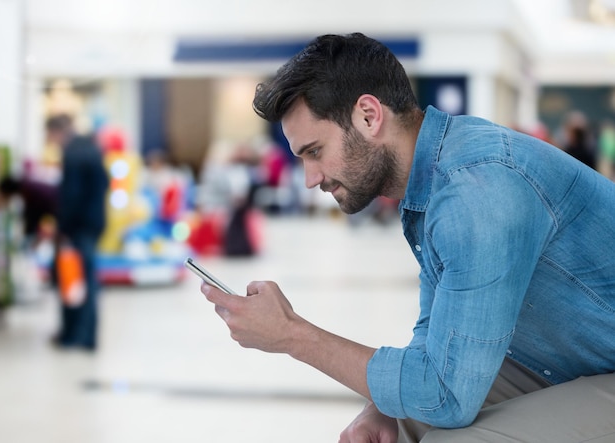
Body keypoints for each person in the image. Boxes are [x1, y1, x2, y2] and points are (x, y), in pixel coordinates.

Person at [200, 33, 615, 442]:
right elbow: (435, 334)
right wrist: (379, 407)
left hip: (599, 367)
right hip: (567, 358)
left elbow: (447, 397)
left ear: (368, 115)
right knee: (396, 425)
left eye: (314, 151)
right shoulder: (432, 177)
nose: (311, 179)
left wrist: (291, 334)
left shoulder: (475, 192)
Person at [48, 114, 109, 351]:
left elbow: (70, 197)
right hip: (93, 225)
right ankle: (85, 336)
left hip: (77, 228)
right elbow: (104, 183)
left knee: (74, 280)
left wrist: (63, 228)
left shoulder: (72, 153)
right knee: (86, 280)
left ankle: (75, 336)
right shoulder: (91, 148)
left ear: (56, 131)